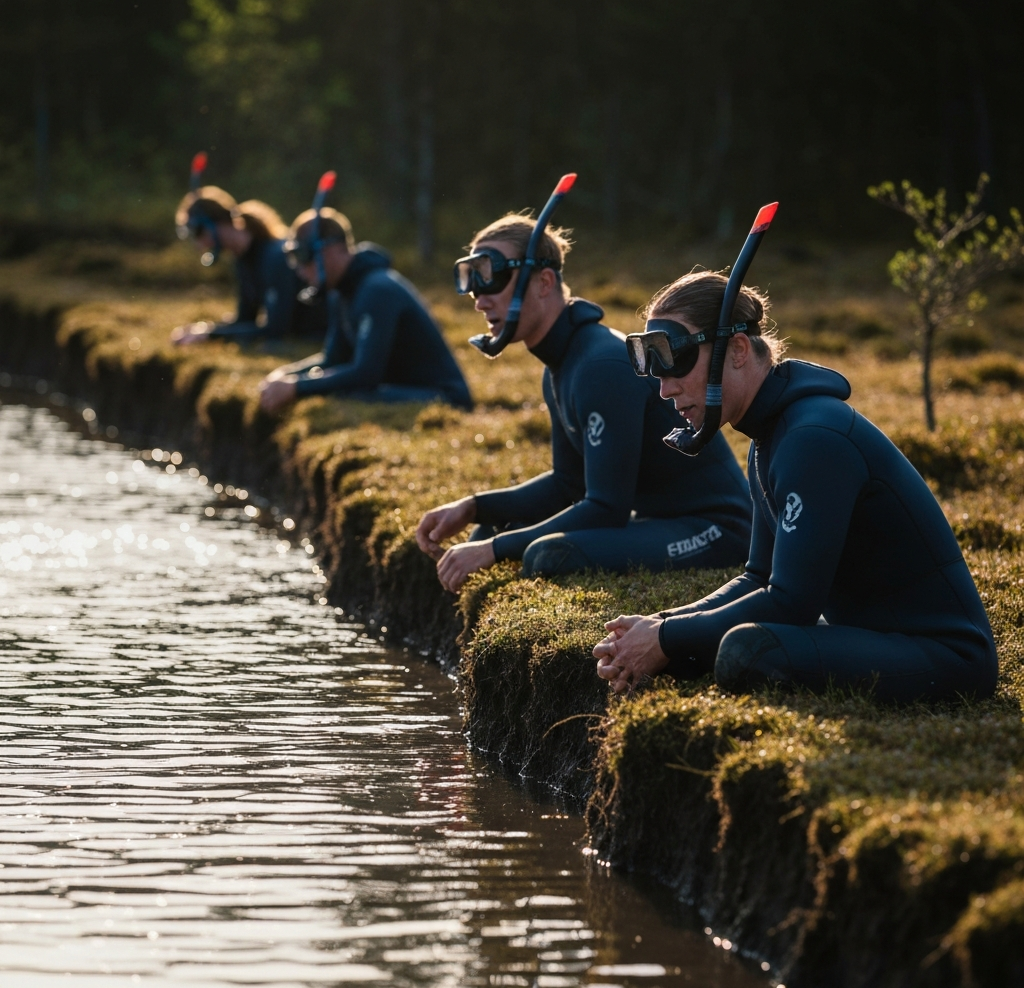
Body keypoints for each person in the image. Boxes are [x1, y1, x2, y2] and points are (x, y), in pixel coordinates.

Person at [593, 270, 998, 704]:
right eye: (655, 369)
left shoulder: (813, 439)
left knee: (748, 650)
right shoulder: (769, 437)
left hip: (947, 658)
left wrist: (668, 637)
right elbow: (759, 577)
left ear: (738, 350)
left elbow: (791, 603)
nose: (665, 389)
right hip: (869, 635)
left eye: (676, 361)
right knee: (706, 646)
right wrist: (660, 624)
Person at [414, 215, 752, 592]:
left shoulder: (599, 365)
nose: (480, 299)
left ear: (544, 282)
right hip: (658, 518)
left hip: (717, 529)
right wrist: (474, 507)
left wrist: (493, 550)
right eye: (471, 282)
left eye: (492, 277)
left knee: (549, 556)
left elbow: (606, 507)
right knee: (492, 526)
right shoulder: (562, 364)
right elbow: (567, 483)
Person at [258, 208, 472, 412]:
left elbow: (366, 374)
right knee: (345, 392)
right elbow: (333, 359)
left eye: (303, 256)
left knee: (351, 394)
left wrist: (297, 388)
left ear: (331, 249)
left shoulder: (377, 290)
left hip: (445, 397)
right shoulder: (340, 293)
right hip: (400, 389)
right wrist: (284, 376)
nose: (300, 270)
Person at [171, 187, 322, 344]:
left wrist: (211, 335)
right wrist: (204, 330)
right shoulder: (242, 260)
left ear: (220, 223)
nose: (198, 244)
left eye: (198, 232)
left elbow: (276, 329)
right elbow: (245, 319)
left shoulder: (276, 258)